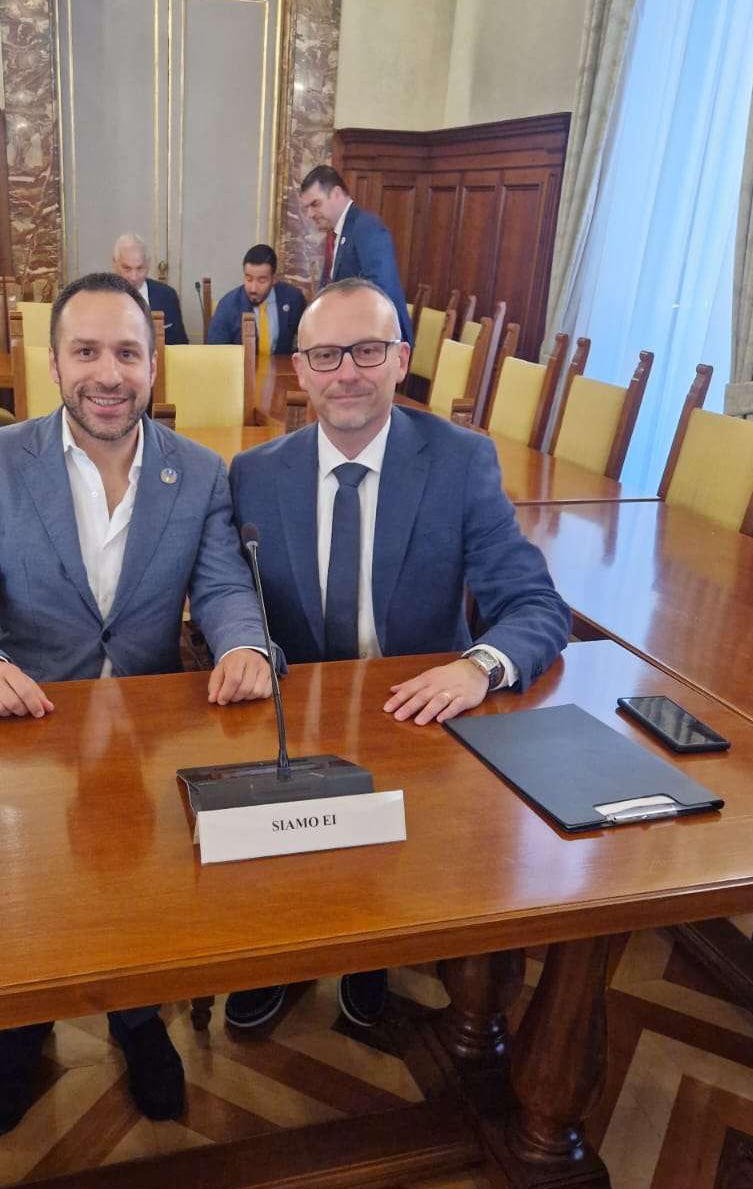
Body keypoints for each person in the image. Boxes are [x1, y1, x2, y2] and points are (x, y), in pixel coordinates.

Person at [0, 272, 274, 1134]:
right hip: (29, 727)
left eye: (126, 353)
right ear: (53, 364)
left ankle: (136, 1017)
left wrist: (244, 644)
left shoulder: (199, 472)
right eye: (86, 352)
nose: (107, 374)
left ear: (153, 365)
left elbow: (224, 587)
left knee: (142, 887)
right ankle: (16, 1029)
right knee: (29, 887)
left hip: (149, 733)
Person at [224, 277, 570, 1031]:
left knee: (389, 860)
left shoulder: (460, 462)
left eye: (368, 350)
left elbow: (537, 607)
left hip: (412, 719)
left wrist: (478, 666)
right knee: (279, 857)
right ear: (300, 369)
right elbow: (230, 595)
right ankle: (279, 954)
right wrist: (245, 647)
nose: (347, 372)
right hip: (295, 713)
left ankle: (371, 949)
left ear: (402, 359)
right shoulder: (254, 474)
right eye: (325, 355)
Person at [299, 166, 413, 344]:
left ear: (336, 193)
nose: (309, 214)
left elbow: (380, 291)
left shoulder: (366, 227)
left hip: (378, 342)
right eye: (306, 208)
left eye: (315, 204)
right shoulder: (338, 233)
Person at [207, 243, 306, 355]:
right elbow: (215, 353)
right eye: (248, 279)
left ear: (274, 279)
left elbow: (307, 342)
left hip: (281, 365)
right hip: (240, 366)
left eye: (262, 281)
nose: (253, 288)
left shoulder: (293, 299)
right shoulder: (227, 306)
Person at [112, 232, 188, 343]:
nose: (134, 277)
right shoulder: (102, 297)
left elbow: (180, 345)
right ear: (115, 264)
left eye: (140, 268)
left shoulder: (167, 296)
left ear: (148, 264)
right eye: (127, 268)